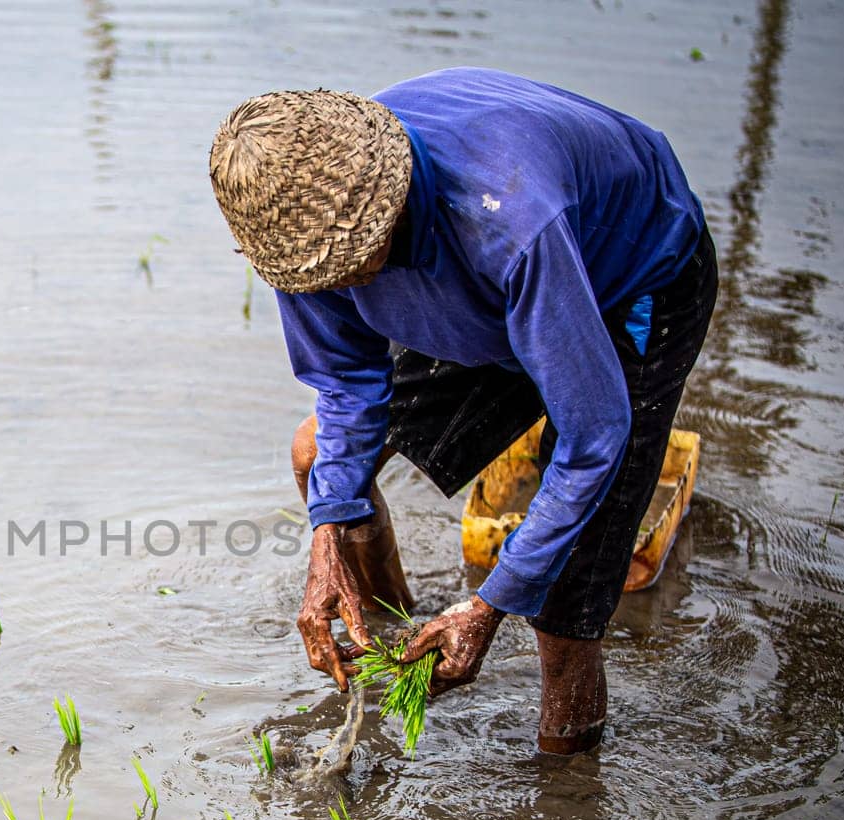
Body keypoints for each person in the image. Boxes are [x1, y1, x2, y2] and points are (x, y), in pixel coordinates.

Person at [209, 67, 718, 754]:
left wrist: (489, 604)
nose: (346, 282)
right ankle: (396, 644)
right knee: (318, 459)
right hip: (478, 294)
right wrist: (327, 533)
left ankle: (564, 801)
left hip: (625, 278)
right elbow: (347, 385)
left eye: (358, 258)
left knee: (563, 604)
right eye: (331, 272)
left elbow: (598, 434)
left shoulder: (511, 221)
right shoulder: (304, 233)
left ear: (389, 203)